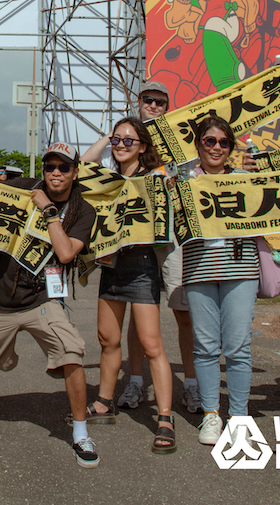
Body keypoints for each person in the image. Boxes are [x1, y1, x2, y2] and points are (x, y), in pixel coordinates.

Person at [0, 143, 102, 467]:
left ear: (75, 173)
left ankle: (80, 433)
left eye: (63, 167)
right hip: (2, 294)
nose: (55, 173)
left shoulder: (83, 210)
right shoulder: (25, 188)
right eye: (50, 166)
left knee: (72, 352)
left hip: (44, 298)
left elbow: (66, 254)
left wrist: (49, 212)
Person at [80, 79, 200, 415]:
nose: (154, 106)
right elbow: (83, 168)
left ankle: (189, 386)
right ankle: (133, 381)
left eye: (160, 102)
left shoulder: (174, 145)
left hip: (165, 244)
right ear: (139, 101)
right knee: (129, 323)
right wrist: (114, 134)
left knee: (182, 313)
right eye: (148, 100)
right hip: (122, 254)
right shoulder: (115, 161)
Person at [81, 117, 176, 451]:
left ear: (143, 146)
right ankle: (105, 401)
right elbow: (81, 166)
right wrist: (106, 137)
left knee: (151, 344)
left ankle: (165, 417)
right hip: (110, 264)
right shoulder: (107, 179)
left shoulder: (154, 178)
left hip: (141, 264)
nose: (121, 146)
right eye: (117, 141)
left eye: (128, 141)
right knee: (107, 338)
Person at [181, 115, 259, 445]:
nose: (216, 148)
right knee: (206, 346)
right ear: (198, 143)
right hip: (198, 268)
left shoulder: (244, 178)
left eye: (224, 142)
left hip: (241, 269)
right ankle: (211, 414)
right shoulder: (183, 180)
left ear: (231, 148)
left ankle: (239, 416)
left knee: (239, 346)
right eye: (209, 141)